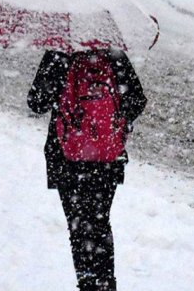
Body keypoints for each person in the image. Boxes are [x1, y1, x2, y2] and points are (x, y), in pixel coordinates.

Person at [27, 48, 147, 291]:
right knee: (100, 224)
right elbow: (136, 101)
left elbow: (37, 102)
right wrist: (110, 124)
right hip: (106, 159)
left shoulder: (60, 53)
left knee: (79, 227)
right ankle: (105, 284)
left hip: (67, 157)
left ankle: (87, 283)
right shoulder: (113, 54)